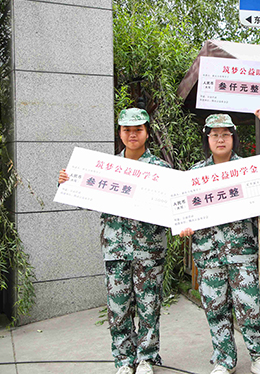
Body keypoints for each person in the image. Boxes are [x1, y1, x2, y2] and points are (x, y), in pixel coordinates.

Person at [58, 108, 170, 374]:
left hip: (149, 251)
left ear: (147, 132)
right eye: (127, 130)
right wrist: (67, 184)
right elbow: (84, 200)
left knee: (149, 307)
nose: (132, 134)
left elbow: (173, 207)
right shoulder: (106, 169)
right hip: (116, 249)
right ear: (120, 133)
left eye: (138, 129)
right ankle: (123, 360)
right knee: (118, 309)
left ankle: (146, 358)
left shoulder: (161, 170)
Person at [178, 114, 260, 374]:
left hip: (241, 251)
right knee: (215, 308)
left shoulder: (249, 170)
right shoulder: (194, 175)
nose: (220, 139)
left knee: (249, 306)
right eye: (215, 135)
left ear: (234, 137)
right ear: (207, 139)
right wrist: (183, 225)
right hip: (208, 253)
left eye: (225, 134)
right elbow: (183, 212)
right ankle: (224, 359)